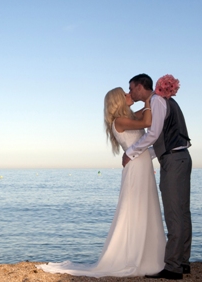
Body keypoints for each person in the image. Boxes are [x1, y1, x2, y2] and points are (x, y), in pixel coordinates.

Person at [37, 87, 166, 277]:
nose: (130, 95)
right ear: (118, 101)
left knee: (146, 207)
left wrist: (153, 97)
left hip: (143, 166)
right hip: (136, 168)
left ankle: (149, 255)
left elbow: (150, 117)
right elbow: (148, 120)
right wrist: (148, 99)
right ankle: (132, 256)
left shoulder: (129, 117)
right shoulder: (120, 121)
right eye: (126, 94)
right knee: (135, 209)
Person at [123, 73, 192, 280]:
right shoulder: (161, 101)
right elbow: (161, 138)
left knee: (174, 214)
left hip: (174, 161)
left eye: (131, 88)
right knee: (182, 213)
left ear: (139, 87)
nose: (130, 92)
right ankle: (182, 262)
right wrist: (147, 155)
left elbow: (153, 134)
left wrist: (131, 152)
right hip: (178, 157)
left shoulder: (157, 101)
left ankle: (173, 267)